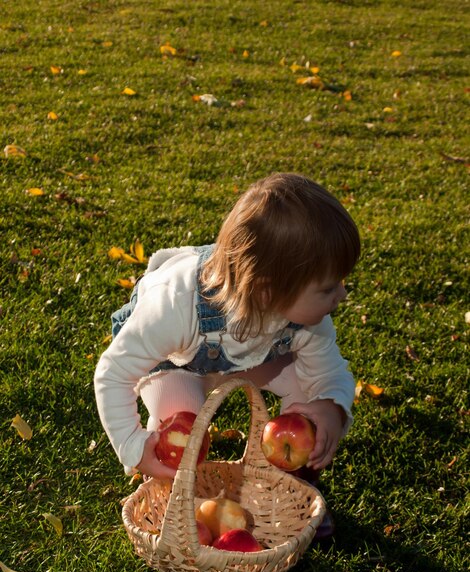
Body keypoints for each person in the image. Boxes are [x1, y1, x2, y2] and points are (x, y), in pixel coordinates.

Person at [94, 173, 360, 537]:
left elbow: (330, 371)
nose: (342, 295)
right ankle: (176, 493)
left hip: (256, 355)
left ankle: (291, 489)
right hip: (177, 359)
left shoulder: (309, 319)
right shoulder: (174, 304)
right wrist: (134, 447)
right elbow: (113, 373)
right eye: (329, 287)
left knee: (311, 394)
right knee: (178, 424)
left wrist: (329, 407)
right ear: (268, 294)